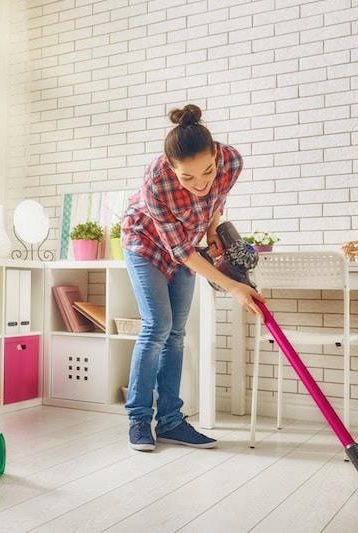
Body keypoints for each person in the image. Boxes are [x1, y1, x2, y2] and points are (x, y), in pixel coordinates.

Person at [121, 104, 264, 452]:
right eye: (188, 178)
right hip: (146, 242)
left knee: (177, 333)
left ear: (216, 155)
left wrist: (213, 229)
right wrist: (232, 286)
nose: (200, 184)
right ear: (171, 168)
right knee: (158, 325)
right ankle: (139, 419)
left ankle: (171, 421)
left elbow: (216, 200)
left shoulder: (231, 162)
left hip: (187, 243)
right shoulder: (155, 180)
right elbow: (180, 250)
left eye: (207, 171)